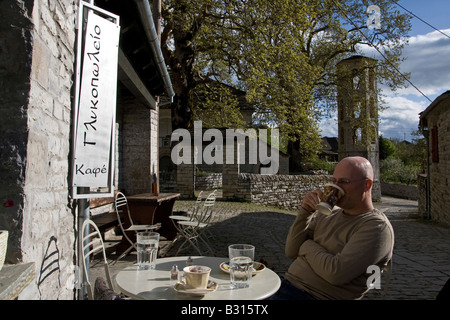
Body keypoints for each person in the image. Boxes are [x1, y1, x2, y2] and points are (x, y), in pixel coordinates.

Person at [269, 156, 394, 300]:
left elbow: (335, 273)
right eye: (334, 181)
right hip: (285, 285)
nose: (336, 187)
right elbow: (291, 251)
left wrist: (306, 245)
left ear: (367, 185)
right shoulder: (328, 213)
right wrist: (305, 212)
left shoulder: (376, 227)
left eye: (344, 182)